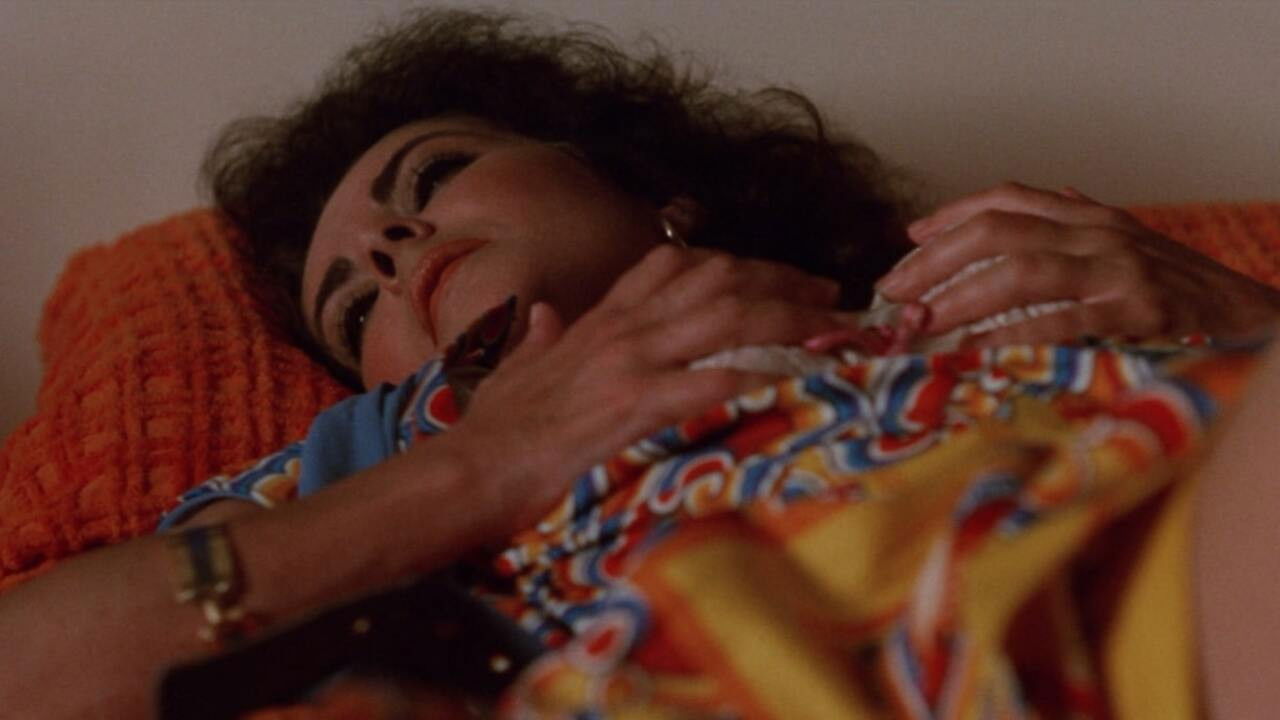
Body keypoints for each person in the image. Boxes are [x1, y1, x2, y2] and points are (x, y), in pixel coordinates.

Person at [0, 8, 1277, 719]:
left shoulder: (967, 279)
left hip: (1163, 580)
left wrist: (1244, 312)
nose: (388, 252)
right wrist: (496, 458)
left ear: (655, 189)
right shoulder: (375, 459)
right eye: (352, 307)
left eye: (430, 180)